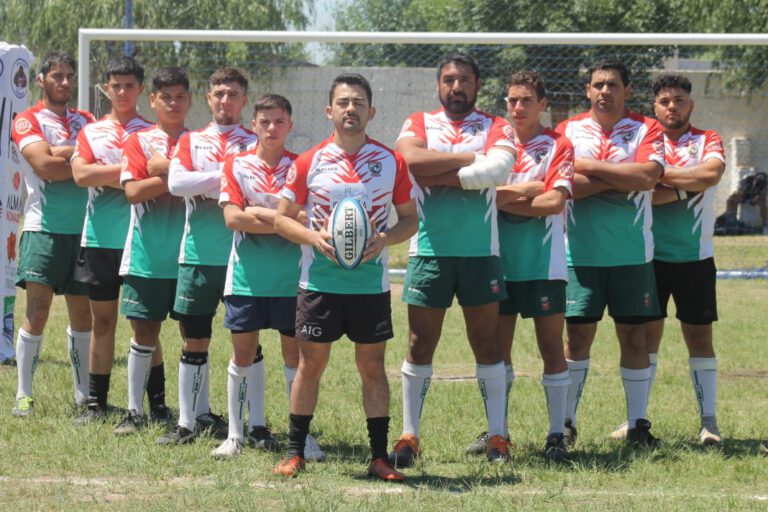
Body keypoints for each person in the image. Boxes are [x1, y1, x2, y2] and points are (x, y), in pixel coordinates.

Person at [273, 73, 417, 481]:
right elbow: (283, 220)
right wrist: (313, 237)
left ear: (370, 111)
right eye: (342, 102)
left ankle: (378, 457)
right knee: (309, 365)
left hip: (370, 286)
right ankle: (295, 452)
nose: (350, 109)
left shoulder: (391, 161)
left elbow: (411, 220)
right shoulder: (308, 161)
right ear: (329, 111)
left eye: (358, 103)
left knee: (372, 367)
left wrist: (385, 237)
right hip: (319, 284)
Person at [389, 52, 516, 466]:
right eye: (448, 79)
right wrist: (470, 161)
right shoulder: (419, 122)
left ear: (477, 85)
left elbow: (499, 172)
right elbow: (410, 162)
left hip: (481, 253)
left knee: (487, 343)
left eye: (464, 79)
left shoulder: (496, 125)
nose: (456, 86)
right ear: (438, 84)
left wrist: (438, 170)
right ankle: (409, 436)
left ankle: (498, 436)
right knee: (419, 343)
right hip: (429, 251)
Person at [609, 74, 726, 445]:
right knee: (644, 338)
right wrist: (682, 185)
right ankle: (638, 421)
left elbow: (710, 173)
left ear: (690, 105)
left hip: (695, 258)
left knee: (699, 337)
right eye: (664, 100)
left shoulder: (708, 140)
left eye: (679, 99)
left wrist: (660, 179)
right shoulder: (643, 140)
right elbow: (638, 186)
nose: (672, 106)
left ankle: (709, 423)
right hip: (647, 257)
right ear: (654, 106)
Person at [556, 60, 664, 448]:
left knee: (635, 338)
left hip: (632, 255)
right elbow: (566, 183)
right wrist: (619, 176)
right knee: (576, 340)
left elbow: (648, 177)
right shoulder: (567, 130)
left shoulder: (646, 128)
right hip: (578, 256)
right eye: (598, 84)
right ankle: (566, 423)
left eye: (613, 85)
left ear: (626, 91)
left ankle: (638, 425)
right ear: (588, 90)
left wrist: (589, 168)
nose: (605, 91)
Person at [212, 94, 323, 461]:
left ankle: (301, 438)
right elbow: (232, 219)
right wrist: (282, 218)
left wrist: (257, 210)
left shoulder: (303, 166)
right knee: (242, 355)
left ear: (289, 124)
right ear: (254, 124)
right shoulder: (237, 164)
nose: (272, 128)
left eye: (279, 121)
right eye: (265, 122)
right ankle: (234, 434)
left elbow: (308, 221)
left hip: (293, 281)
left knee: (296, 360)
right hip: (246, 278)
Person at [157, 68, 258, 445]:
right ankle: (188, 422)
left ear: (244, 100)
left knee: (247, 344)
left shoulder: (255, 139)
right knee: (194, 340)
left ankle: (249, 423)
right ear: (208, 97)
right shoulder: (191, 139)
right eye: (218, 93)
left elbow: (256, 188)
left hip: (244, 256)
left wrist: (208, 181)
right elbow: (175, 183)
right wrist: (228, 176)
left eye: (233, 94)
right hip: (197, 256)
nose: (225, 100)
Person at [483, 70, 574, 461]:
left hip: (544, 264)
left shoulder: (559, 145)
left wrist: (504, 195)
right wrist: (528, 188)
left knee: (551, 346)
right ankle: (498, 434)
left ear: (543, 105)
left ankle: (556, 434)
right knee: (496, 350)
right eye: (511, 100)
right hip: (497, 264)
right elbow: (484, 198)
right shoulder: (492, 142)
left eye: (526, 100)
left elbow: (554, 202)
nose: (517, 107)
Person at [10, 51, 95, 417]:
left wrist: (70, 151)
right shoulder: (27, 120)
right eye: (56, 75)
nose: (63, 82)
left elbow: (101, 163)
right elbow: (45, 167)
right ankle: (24, 395)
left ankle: (84, 396)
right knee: (39, 311)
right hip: (43, 228)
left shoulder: (87, 120)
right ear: (41, 79)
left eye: (68, 76)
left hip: (86, 232)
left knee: (83, 315)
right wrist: (79, 161)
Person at [71, 57, 155, 424]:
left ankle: (159, 404)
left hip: (141, 239)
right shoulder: (91, 131)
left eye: (129, 85)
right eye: (115, 85)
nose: (122, 92)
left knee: (145, 321)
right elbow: (79, 175)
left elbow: (157, 174)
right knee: (102, 321)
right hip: (100, 239)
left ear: (140, 90)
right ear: (106, 88)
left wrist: (105, 175)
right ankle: (96, 404)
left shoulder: (151, 132)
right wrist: (128, 174)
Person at [113, 66, 190, 435]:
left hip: (193, 255)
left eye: (180, 96)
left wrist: (162, 173)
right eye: (166, 97)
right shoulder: (138, 141)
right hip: (147, 254)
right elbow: (132, 193)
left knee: (196, 339)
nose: (173, 103)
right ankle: (134, 411)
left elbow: (211, 183)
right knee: (144, 333)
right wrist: (174, 178)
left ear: (190, 100)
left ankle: (194, 414)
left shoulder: (201, 142)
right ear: (153, 101)